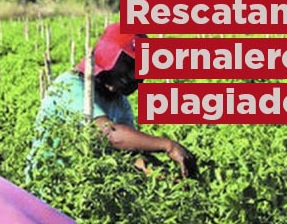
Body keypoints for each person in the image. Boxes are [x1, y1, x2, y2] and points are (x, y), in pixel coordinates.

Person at [27, 22, 197, 179]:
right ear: (108, 55)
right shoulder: (71, 86)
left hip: (84, 189)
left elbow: (129, 152)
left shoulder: (120, 103)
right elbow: (110, 133)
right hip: (47, 189)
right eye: (128, 64)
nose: (133, 74)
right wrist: (168, 145)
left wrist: (162, 176)